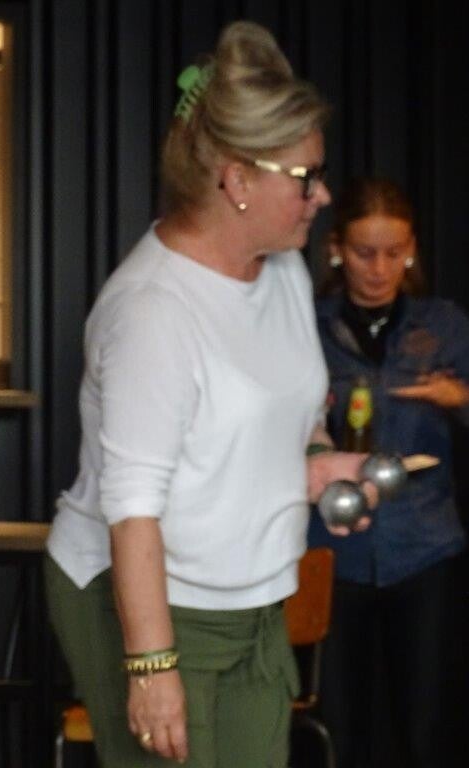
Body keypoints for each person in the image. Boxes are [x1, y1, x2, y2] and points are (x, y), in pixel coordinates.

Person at [44, 21, 375, 768]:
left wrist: (319, 462)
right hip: (144, 598)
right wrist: (151, 669)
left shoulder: (281, 269)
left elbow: (293, 415)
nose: (322, 195)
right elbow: (133, 509)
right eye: (306, 177)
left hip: (250, 597)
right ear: (236, 180)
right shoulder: (153, 312)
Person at [309, 177, 469, 768]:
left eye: (394, 253)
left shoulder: (444, 323)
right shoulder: (305, 324)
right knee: (334, 727)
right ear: (335, 250)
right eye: (363, 252)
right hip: (330, 551)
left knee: (425, 729)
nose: (379, 269)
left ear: (412, 250)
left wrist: (459, 398)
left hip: (424, 549)